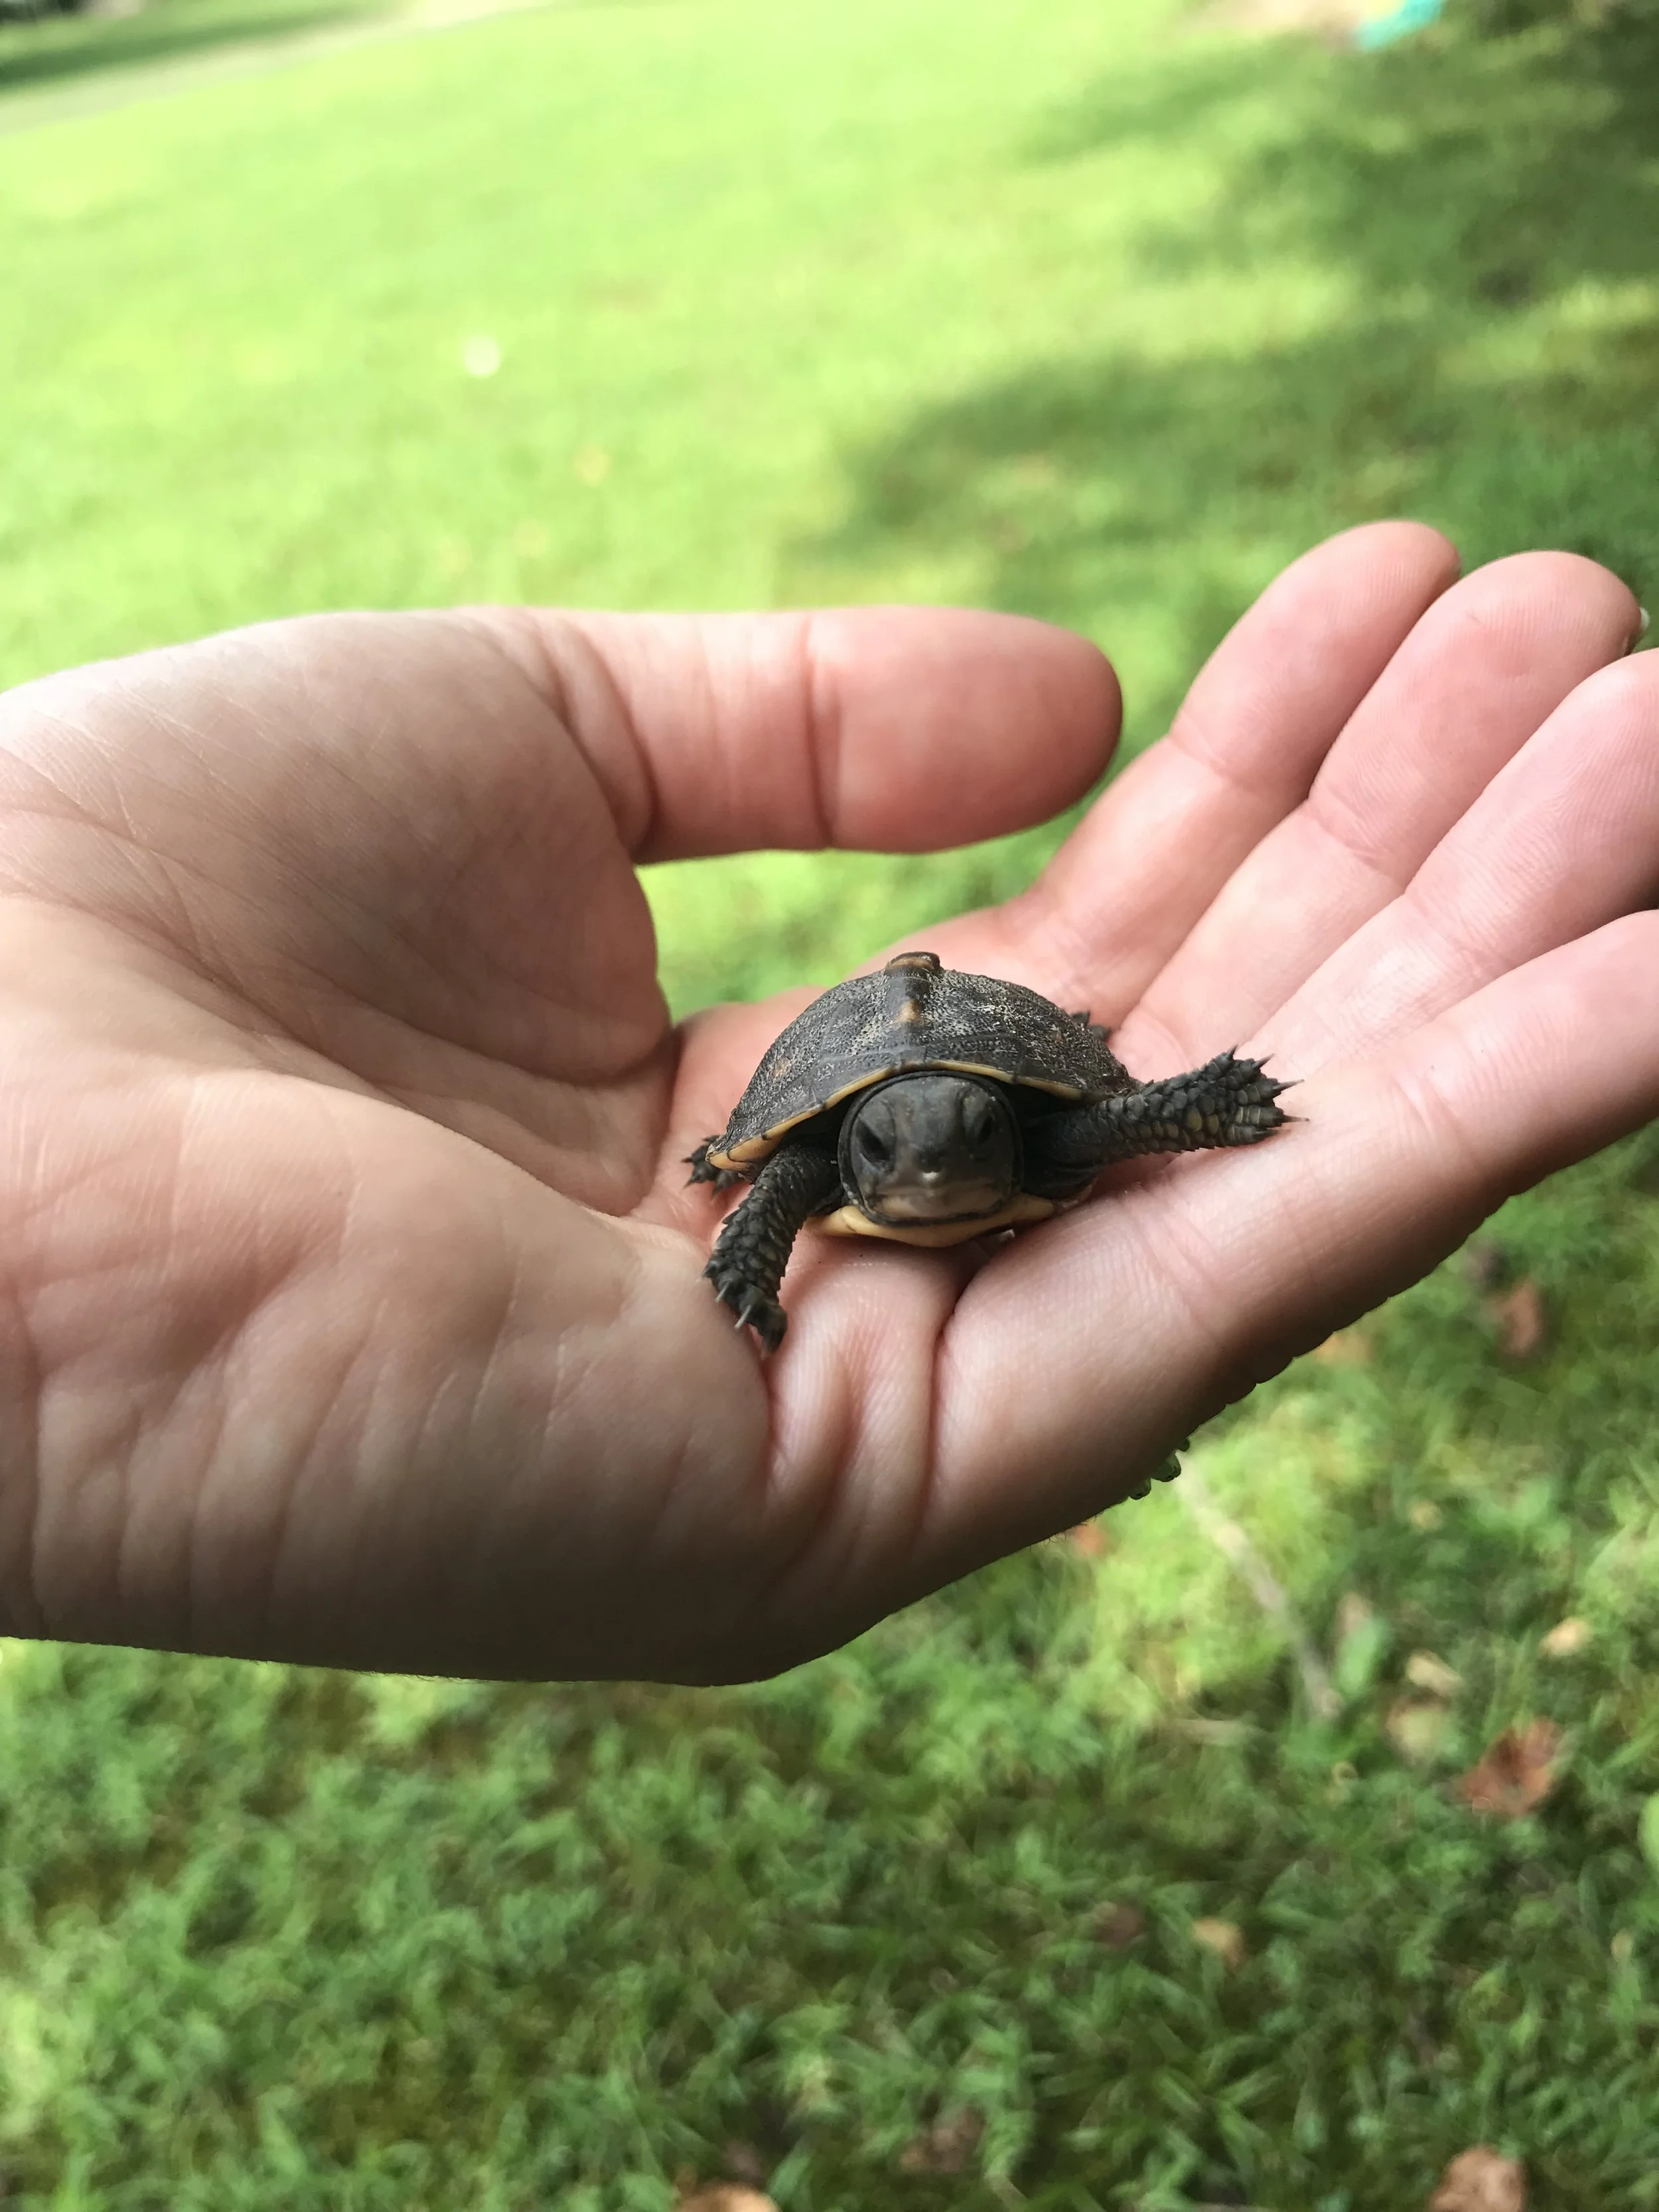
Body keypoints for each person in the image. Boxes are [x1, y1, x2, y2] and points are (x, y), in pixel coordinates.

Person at [0, 520, 1650, 1683]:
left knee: (1116, 1131)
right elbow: (780, 1180)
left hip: (998, 1050)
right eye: (900, 1146)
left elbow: (1098, 1120)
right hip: (846, 1093)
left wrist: (1186, 1107)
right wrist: (747, 1249)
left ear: (991, 1134)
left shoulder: (1027, 1130)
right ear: (856, 1149)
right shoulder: (817, 1161)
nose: (937, 1157)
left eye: (964, 1139)